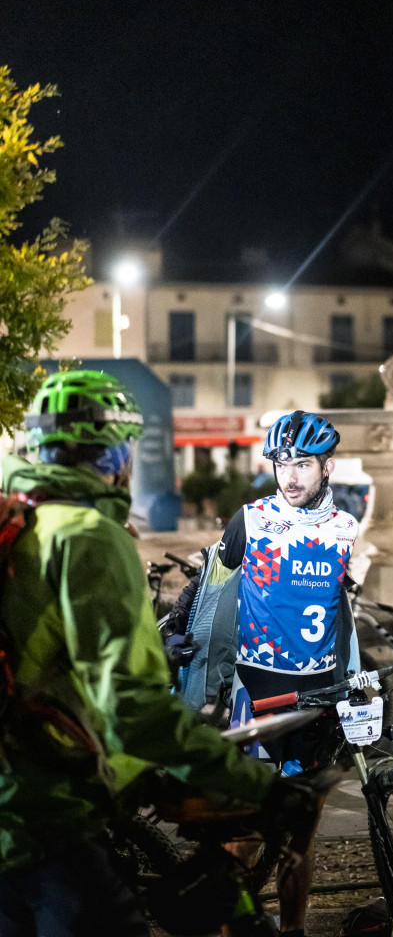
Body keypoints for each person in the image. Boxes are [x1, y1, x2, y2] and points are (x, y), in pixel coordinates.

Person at [0, 369, 285, 937]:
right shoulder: (86, 536)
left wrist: (141, 780)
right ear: (112, 452)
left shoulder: (20, 522)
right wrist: (261, 787)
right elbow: (128, 705)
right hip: (47, 820)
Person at [173, 409, 360, 937]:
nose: (290, 476)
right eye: (281, 464)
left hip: (317, 694)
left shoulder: (346, 527)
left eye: (303, 464)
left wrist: (353, 679)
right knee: (247, 832)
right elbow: (208, 582)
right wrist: (179, 631)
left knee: (302, 836)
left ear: (326, 467)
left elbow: (343, 608)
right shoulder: (251, 519)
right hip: (255, 691)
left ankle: (294, 930)